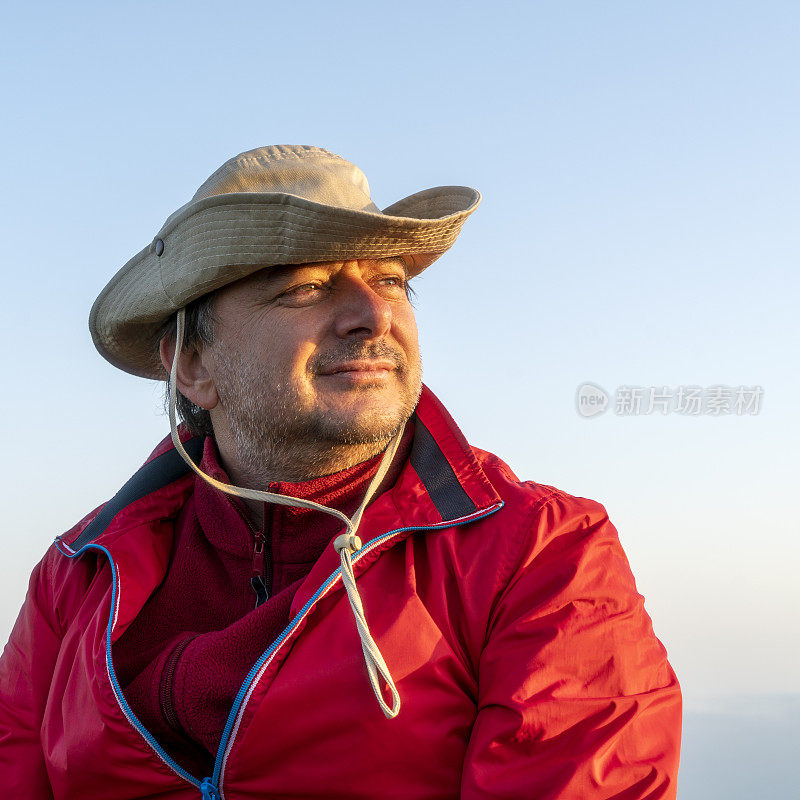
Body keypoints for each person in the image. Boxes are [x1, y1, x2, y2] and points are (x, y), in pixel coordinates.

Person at [0, 145, 681, 799]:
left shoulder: (542, 553)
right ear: (194, 367)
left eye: (390, 280)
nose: (373, 314)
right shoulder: (77, 577)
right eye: (307, 288)